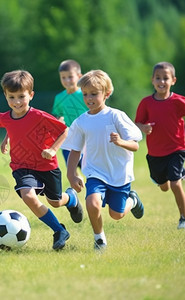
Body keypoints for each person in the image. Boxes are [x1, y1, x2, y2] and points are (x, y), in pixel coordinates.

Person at [0, 70, 83, 251]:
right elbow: (11, 127)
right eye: (11, 97)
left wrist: (52, 150)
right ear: (5, 95)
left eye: (21, 96)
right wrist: (6, 139)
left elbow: (64, 130)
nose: (17, 102)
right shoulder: (6, 117)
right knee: (29, 196)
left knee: (56, 202)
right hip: (22, 166)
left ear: (31, 95)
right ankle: (59, 230)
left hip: (46, 166)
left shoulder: (39, 116)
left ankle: (71, 199)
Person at [64, 70, 144, 252]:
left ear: (106, 94)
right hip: (95, 172)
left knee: (116, 215)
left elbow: (135, 145)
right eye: (85, 94)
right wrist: (71, 174)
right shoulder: (81, 122)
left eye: (94, 94)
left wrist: (120, 141)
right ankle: (99, 239)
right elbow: (75, 150)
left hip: (119, 174)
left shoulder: (116, 116)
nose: (89, 98)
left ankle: (133, 200)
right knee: (92, 203)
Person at [135, 62, 185, 229]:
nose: (161, 81)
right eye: (158, 78)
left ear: (173, 81)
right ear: (152, 80)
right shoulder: (146, 103)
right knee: (163, 187)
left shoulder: (178, 101)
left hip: (176, 149)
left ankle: (184, 219)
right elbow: (137, 123)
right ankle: (172, 175)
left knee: (174, 183)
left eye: (166, 78)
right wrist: (143, 128)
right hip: (155, 153)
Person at [52, 59, 88, 165]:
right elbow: (58, 115)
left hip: (86, 138)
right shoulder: (59, 97)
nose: (67, 80)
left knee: (86, 167)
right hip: (68, 140)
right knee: (71, 169)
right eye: (63, 77)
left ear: (79, 76)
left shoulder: (86, 95)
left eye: (70, 77)